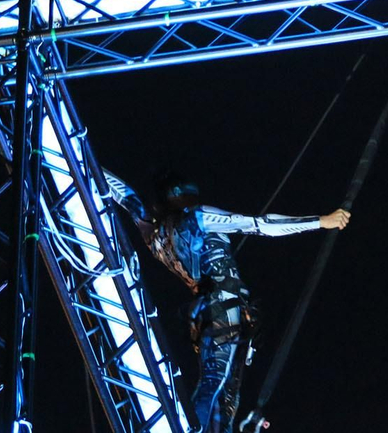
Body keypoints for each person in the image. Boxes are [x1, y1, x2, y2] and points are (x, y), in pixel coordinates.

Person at [100, 168, 350, 433]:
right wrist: (320, 221)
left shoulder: (154, 233)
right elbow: (259, 224)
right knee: (217, 382)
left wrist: (86, 163)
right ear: (176, 195)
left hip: (209, 311)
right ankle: (191, 429)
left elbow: (126, 196)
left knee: (224, 393)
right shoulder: (197, 218)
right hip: (223, 307)